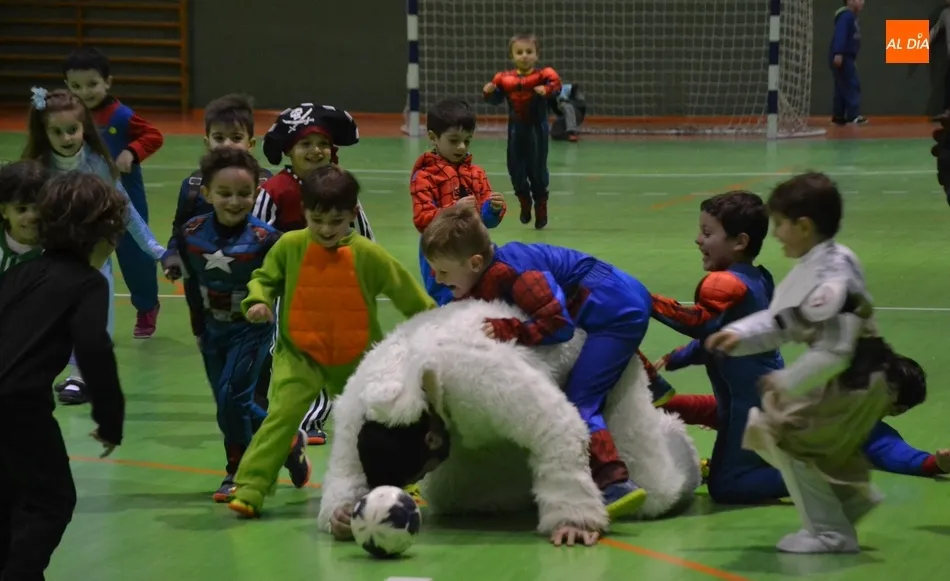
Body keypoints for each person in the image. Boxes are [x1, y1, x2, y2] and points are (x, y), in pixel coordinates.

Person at [317, 299, 701, 547]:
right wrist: (344, 509)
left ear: (432, 440)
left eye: (421, 471)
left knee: (654, 497)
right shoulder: (363, 398)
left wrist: (573, 513)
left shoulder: (474, 370)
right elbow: (346, 470)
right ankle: (531, 476)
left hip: (591, 368)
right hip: (490, 407)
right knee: (451, 499)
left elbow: (559, 426)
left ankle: (671, 436)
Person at [705, 172, 927, 554]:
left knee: (783, 436)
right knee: (771, 433)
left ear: (804, 226)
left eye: (781, 225)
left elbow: (834, 350)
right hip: (856, 376)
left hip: (862, 378)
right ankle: (846, 501)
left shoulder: (831, 278)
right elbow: (781, 321)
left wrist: (788, 380)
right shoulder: (819, 263)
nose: (775, 235)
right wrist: (740, 335)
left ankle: (831, 531)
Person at [420, 204, 654, 520]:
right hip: (609, 296)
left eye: (444, 272)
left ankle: (614, 482)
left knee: (581, 401)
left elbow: (560, 326)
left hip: (615, 309)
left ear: (475, 262)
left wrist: (512, 329)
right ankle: (654, 379)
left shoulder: (518, 275)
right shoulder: (491, 268)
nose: (437, 278)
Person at [227, 166, 434, 518]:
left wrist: (434, 322)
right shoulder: (289, 246)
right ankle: (251, 487)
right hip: (298, 354)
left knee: (379, 420)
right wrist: (258, 300)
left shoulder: (369, 254)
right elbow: (264, 278)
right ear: (304, 211)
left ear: (352, 214)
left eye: (336, 221)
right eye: (317, 219)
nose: (325, 230)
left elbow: (408, 294)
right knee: (281, 416)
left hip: (358, 357)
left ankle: (400, 482)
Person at [0, 171, 127, 579]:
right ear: (104, 237)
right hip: (19, 407)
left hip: (15, 402)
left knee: (12, 497)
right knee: (52, 500)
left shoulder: (19, 275)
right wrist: (110, 421)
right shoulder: (88, 284)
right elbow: (93, 348)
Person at [167, 147, 309, 502]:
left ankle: (238, 470)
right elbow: (189, 284)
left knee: (233, 396)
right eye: (225, 194)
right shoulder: (192, 233)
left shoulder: (266, 240)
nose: (234, 201)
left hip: (251, 330)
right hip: (212, 332)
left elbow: (287, 283)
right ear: (207, 194)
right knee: (229, 404)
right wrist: (199, 328)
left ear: (257, 193)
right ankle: (289, 440)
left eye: (244, 194)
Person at [20, 87, 165, 405]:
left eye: (72, 129)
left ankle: (82, 376)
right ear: (44, 133)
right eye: (56, 131)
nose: (67, 137)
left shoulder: (99, 164)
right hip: (52, 258)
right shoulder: (37, 168)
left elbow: (124, 208)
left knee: (94, 316)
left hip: (96, 256)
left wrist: (154, 248)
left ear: (84, 127)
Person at [650, 191, 786, 503]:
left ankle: (810, 477)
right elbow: (725, 340)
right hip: (762, 392)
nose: (698, 240)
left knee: (727, 486)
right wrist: (680, 356)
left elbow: (700, 323)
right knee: (728, 459)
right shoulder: (759, 278)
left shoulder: (725, 283)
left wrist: (645, 301)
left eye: (708, 233)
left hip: (750, 401)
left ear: (739, 242)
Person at [252, 103, 373, 445]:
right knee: (287, 350)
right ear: (289, 151)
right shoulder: (275, 191)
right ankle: (287, 412)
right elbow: (256, 237)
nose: (315, 150)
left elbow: (362, 234)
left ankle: (314, 418)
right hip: (289, 288)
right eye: (305, 144)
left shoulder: (341, 188)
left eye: (322, 143)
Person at [63, 46, 165, 337]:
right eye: (76, 86)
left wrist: (132, 152)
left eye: (92, 84)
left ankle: (146, 305)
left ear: (108, 82)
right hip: (84, 199)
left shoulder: (121, 115)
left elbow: (154, 135)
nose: (85, 91)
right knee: (86, 255)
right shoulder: (69, 116)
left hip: (124, 196)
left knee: (134, 255)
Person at [410, 98, 506, 305]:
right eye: (454, 140)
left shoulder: (476, 174)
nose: (461, 147)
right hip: (441, 252)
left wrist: (493, 209)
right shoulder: (424, 177)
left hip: (473, 247)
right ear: (433, 137)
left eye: (467, 140)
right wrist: (453, 210)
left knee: (486, 295)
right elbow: (422, 220)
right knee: (450, 303)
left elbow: (486, 222)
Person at [483, 33, 562, 229]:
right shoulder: (504, 79)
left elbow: (557, 87)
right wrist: (488, 92)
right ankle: (524, 202)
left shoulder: (544, 76)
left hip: (537, 130)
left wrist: (548, 90)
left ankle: (541, 206)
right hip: (516, 131)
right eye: (519, 52)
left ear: (537, 55)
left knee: (537, 170)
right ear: (512, 56)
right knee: (515, 169)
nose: (524, 56)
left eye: (529, 52)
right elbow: (495, 99)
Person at [0, 161, 47, 275]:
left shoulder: (57, 250)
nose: (32, 216)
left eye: (38, 208)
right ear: (4, 211)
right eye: (21, 209)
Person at [830, 0, 866, 125]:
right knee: (852, 84)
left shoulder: (852, 17)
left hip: (847, 57)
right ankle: (853, 116)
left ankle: (838, 116)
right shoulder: (846, 17)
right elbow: (841, 34)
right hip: (843, 56)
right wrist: (838, 53)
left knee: (841, 87)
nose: (863, 2)